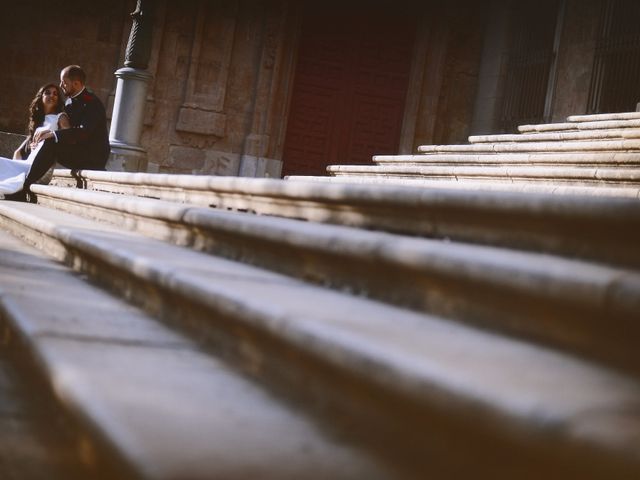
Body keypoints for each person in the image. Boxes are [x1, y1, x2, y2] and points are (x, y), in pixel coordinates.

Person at [8, 65, 110, 201]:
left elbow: (83, 132)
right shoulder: (69, 102)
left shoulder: (92, 103)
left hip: (92, 157)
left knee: (51, 141)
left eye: (64, 82)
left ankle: (24, 187)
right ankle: (17, 181)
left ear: (77, 83)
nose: (61, 85)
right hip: (77, 150)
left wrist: (53, 134)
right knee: (36, 141)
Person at [0, 83, 69, 197]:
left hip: (41, 168)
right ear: (41, 97)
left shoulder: (60, 116)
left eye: (55, 94)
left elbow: (68, 133)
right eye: (47, 93)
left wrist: (51, 134)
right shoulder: (39, 121)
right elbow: (18, 152)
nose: (52, 95)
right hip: (28, 163)